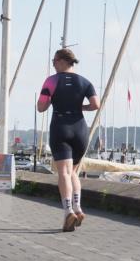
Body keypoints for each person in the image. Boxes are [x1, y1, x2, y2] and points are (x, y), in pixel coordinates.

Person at [37, 48, 100, 232]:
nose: (53, 64)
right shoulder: (85, 82)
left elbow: (41, 107)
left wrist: (51, 100)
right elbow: (96, 104)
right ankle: (78, 207)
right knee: (73, 172)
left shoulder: (51, 81)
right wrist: (81, 107)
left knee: (63, 172)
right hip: (80, 130)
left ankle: (68, 212)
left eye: (54, 61)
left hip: (60, 127)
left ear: (63, 61)